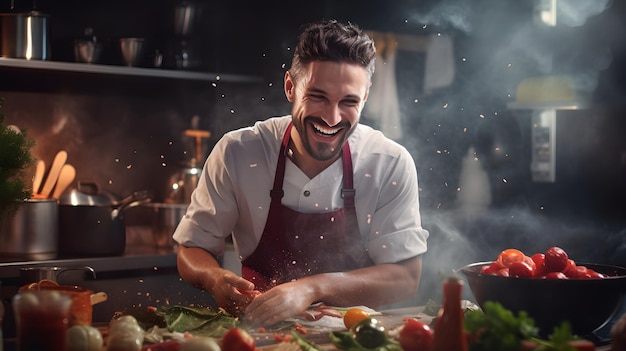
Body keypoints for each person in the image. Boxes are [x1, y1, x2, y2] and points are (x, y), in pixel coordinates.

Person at [173, 19, 429, 327]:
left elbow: (405, 276)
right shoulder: (238, 152)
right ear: (291, 87)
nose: (332, 118)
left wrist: (311, 288)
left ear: (365, 97)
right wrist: (213, 279)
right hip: (261, 335)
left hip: (355, 337)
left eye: (348, 101)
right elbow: (192, 247)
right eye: (318, 96)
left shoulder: (388, 162)